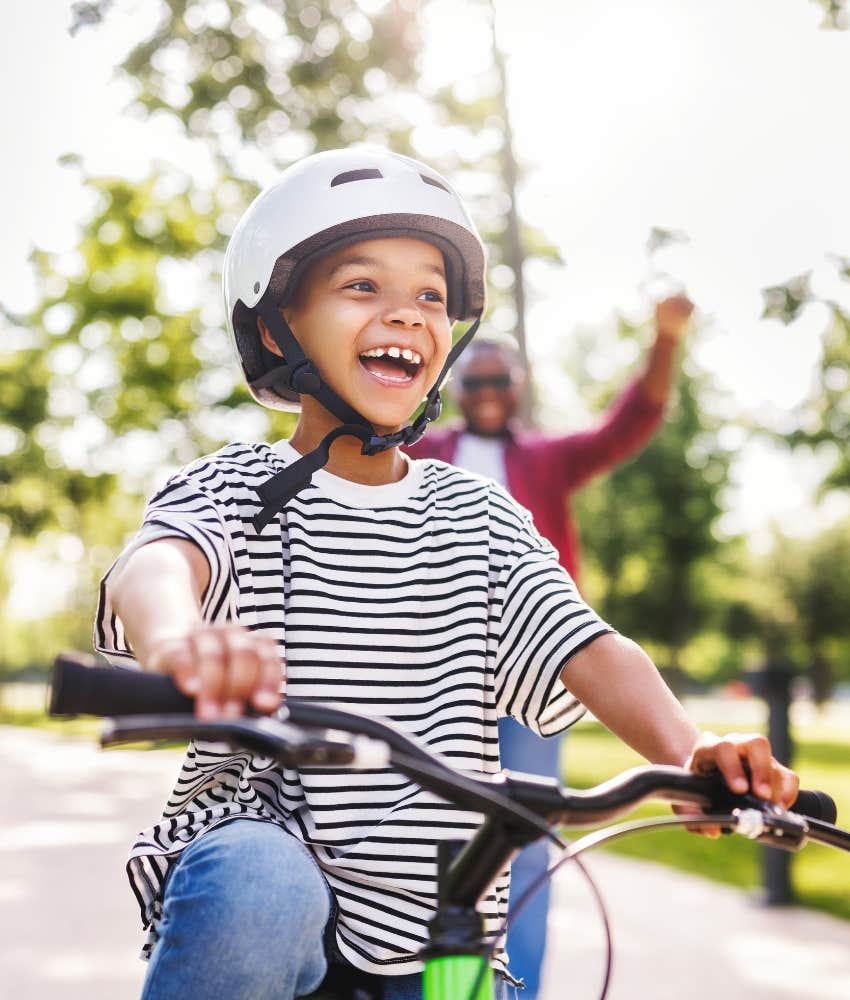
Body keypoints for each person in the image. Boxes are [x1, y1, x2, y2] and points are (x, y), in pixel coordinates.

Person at [93, 149, 796, 1000]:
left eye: (430, 296)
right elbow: (159, 564)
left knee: (476, 974)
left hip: (440, 906)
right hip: (265, 846)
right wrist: (180, 639)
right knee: (257, 886)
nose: (406, 313)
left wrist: (690, 752)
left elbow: (587, 646)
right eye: (362, 285)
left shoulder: (480, 515)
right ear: (277, 328)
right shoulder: (234, 487)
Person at [404, 298, 693, 998]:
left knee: (528, 844)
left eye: (500, 380)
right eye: (475, 380)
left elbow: (629, 424)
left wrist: (664, 341)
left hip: (534, 670)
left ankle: (517, 991)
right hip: (439, 670)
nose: (488, 392)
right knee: (431, 837)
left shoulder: (545, 459)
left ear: (518, 387)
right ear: (455, 387)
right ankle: (423, 983)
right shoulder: (419, 452)